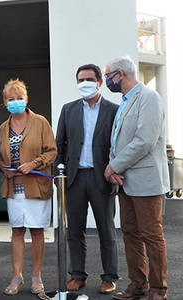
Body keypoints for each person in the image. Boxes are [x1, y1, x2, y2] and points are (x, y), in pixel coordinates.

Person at [103, 56, 169, 300]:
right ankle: (137, 284)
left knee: (152, 234)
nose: (106, 80)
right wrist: (116, 169)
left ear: (120, 74)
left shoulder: (148, 98)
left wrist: (113, 166)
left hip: (145, 180)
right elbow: (118, 141)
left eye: (108, 75)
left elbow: (144, 140)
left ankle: (158, 288)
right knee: (130, 232)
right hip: (125, 181)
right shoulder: (124, 102)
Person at [55, 64, 120, 294]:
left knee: (106, 230)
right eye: (81, 80)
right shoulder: (69, 109)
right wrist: (59, 176)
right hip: (74, 179)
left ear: (100, 82)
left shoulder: (114, 110)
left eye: (89, 79)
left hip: (101, 177)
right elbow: (59, 145)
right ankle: (77, 275)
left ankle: (110, 277)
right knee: (74, 231)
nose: (85, 83)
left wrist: (115, 174)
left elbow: (118, 146)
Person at [0, 79, 56, 296]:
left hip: (37, 188)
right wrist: (4, 169)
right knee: (17, 231)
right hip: (14, 188)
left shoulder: (40, 122)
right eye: (11, 99)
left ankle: (36, 277)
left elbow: (52, 151)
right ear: (5, 102)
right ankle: (17, 277)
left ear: (26, 99)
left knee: (37, 231)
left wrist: (35, 163)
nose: (16, 102)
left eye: (19, 98)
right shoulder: (3, 128)